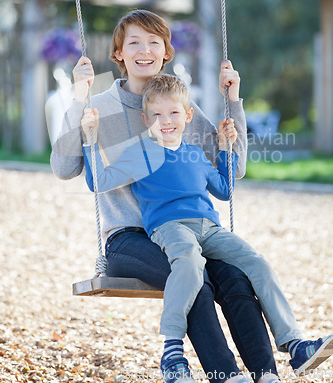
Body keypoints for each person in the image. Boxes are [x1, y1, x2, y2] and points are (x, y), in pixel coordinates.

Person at [51, 9, 282, 383]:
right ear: (118, 53)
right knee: (194, 278)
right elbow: (64, 168)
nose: (145, 51)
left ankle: (266, 375)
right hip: (129, 238)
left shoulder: (174, 104)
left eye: (154, 42)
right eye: (134, 43)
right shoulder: (101, 107)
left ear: (165, 52)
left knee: (237, 279)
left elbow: (232, 169)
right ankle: (224, 375)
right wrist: (79, 97)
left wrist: (234, 101)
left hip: (184, 230)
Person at [81, 73, 333, 383]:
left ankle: (295, 344)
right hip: (170, 228)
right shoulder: (141, 153)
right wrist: (90, 139)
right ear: (146, 119)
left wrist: (226, 147)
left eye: (174, 113)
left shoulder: (195, 153)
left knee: (256, 262)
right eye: (157, 115)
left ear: (188, 115)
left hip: (209, 228)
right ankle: (172, 350)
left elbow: (225, 189)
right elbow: (99, 181)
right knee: (188, 264)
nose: (166, 121)